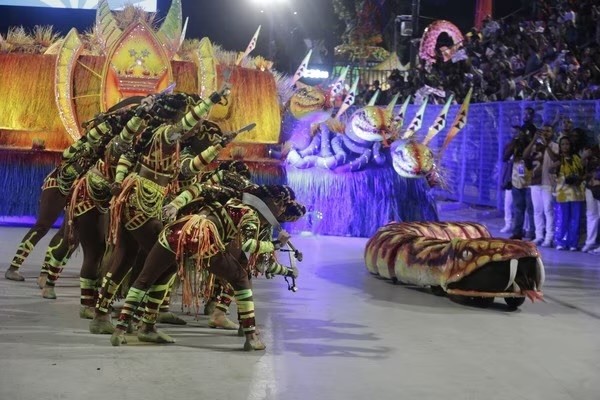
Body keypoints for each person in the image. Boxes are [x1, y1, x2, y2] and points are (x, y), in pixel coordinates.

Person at [523, 125, 558, 247]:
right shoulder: (536, 146)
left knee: (548, 210)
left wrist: (546, 145)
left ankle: (549, 237)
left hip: (548, 183)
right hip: (535, 182)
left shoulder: (555, 145)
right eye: (544, 131)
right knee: (537, 210)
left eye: (548, 131)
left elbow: (556, 159)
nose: (546, 133)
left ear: (553, 133)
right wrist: (534, 139)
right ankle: (539, 236)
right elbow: (525, 156)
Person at [549, 136, 585, 251]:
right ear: (560, 146)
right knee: (562, 218)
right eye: (563, 144)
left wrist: (578, 178)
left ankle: (573, 243)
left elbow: (583, 171)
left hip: (576, 192)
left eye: (567, 144)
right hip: (562, 193)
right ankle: (560, 241)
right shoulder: (558, 158)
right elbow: (550, 170)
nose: (565, 146)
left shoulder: (576, 158)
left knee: (575, 219)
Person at [581, 134, 600, 253]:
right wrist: (583, 157)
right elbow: (582, 168)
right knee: (591, 214)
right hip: (590, 187)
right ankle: (590, 242)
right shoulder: (592, 150)